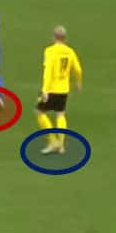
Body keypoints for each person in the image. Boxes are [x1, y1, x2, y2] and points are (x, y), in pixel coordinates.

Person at [36, 26, 83, 155]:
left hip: (51, 89)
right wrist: (78, 82)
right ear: (65, 38)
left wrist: (45, 90)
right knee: (60, 114)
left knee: (40, 112)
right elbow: (78, 69)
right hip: (64, 89)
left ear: (53, 37)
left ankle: (53, 141)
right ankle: (61, 145)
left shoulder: (49, 51)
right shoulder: (70, 51)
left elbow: (48, 71)